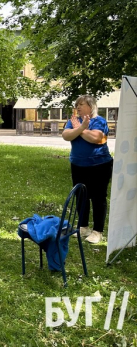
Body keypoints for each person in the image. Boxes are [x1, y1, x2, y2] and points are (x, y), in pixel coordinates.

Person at [62, 95, 113, 244]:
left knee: (98, 197)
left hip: (99, 165)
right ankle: (83, 227)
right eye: (77, 104)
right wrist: (80, 128)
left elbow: (96, 138)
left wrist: (80, 129)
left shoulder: (99, 121)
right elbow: (66, 135)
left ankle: (97, 231)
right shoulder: (73, 121)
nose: (78, 107)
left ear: (91, 106)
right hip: (78, 165)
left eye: (81, 104)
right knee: (81, 196)